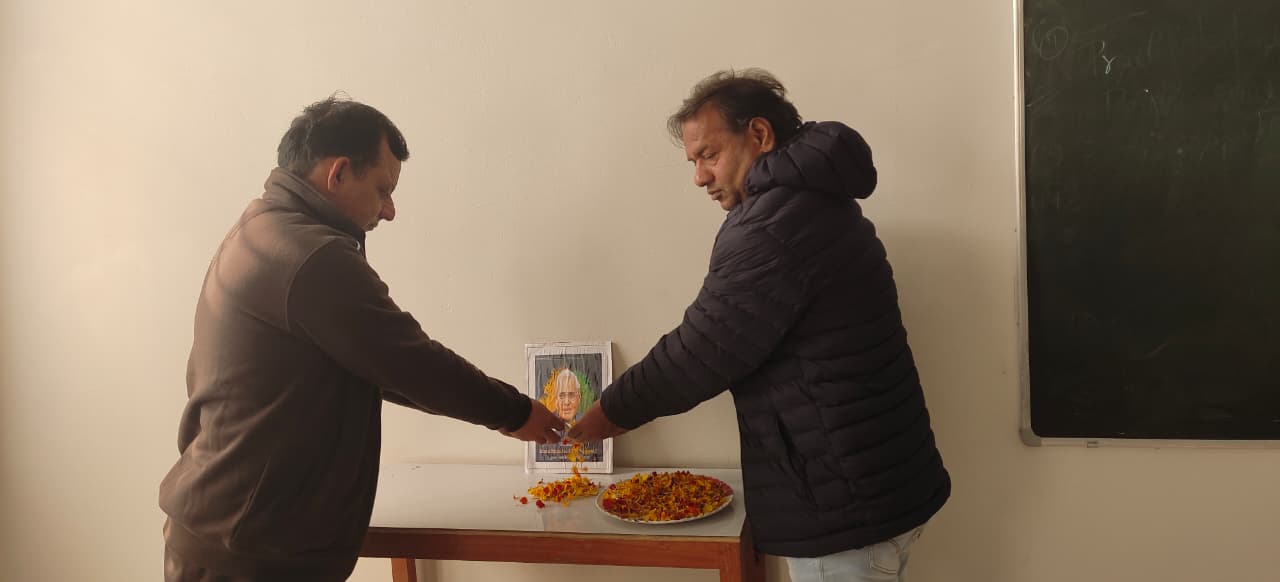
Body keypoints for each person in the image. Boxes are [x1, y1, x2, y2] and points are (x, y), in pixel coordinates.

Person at [158, 96, 566, 582]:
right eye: (382, 189)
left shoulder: (262, 226)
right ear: (338, 173)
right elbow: (412, 364)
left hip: (230, 533)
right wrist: (516, 414)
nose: (389, 210)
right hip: (246, 553)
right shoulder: (310, 256)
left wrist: (508, 414)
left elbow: (376, 363)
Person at [568, 69, 950, 581]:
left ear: (760, 134)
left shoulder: (777, 226)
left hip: (845, 511)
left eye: (709, 155)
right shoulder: (810, 200)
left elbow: (699, 352)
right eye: (693, 161)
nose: (699, 177)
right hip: (874, 488)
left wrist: (606, 414)